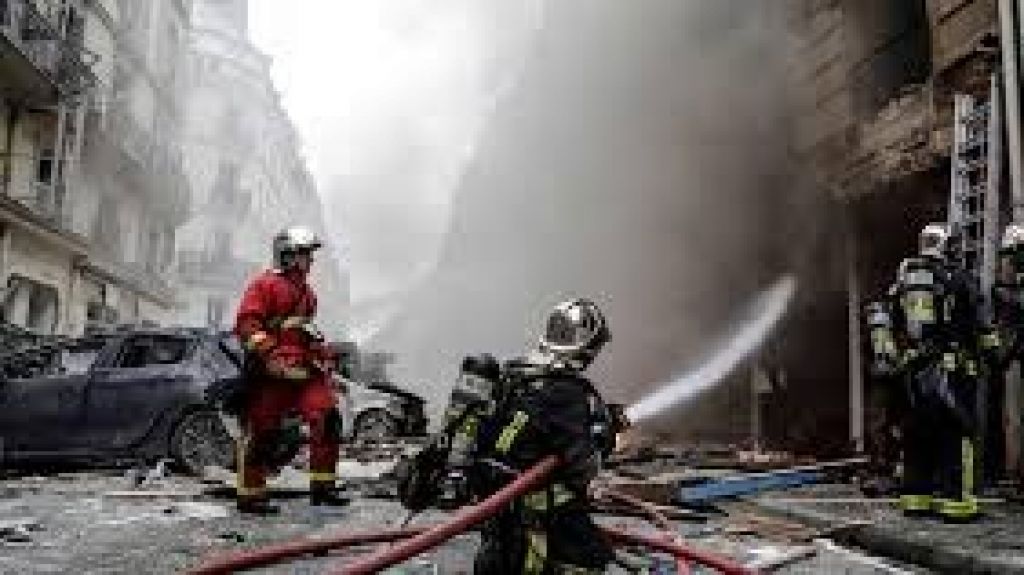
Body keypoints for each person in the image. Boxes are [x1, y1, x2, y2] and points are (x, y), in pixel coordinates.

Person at [398, 299, 618, 574]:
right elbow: (583, 466)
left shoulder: (514, 375)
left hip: (499, 521)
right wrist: (604, 435)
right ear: (585, 347)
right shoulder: (568, 392)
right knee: (592, 558)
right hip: (542, 528)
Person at [233, 225, 348, 514]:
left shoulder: (308, 294)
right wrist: (270, 354)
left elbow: (304, 334)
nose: (312, 260)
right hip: (273, 374)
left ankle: (323, 487)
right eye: (307, 254)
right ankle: (251, 495)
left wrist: (325, 355)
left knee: (328, 418)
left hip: (305, 371)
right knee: (263, 432)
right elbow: (247, 325)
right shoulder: (264, 285)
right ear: (289, 255)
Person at [890, 223, 981, 520]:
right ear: (946, 246)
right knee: (957, 436)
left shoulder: (904, 280)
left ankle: (916, 500)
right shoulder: (958, 278)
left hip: (913, 373)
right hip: (951, 371)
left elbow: (892, 324)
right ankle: (959, 505)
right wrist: (992, 353)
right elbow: (977, 323)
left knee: (918, 436)